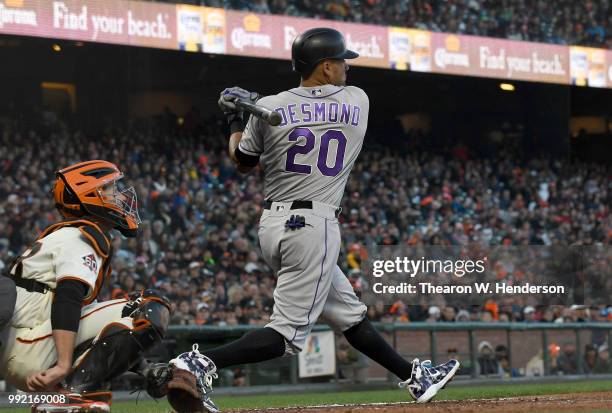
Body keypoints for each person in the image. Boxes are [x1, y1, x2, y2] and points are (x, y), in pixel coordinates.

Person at [160, 28, 459, 413]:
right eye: (341, 62)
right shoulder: (357, 100)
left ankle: (416, 378)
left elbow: (243, 162)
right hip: (313, 225)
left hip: (273, 226)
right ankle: (199, 362)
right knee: (285, 335)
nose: (347, 67)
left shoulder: (272, 107)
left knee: (349, 315)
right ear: (325, 67)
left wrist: (236, 119)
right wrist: (256, 110)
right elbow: (319, 112)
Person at [0, 160, 171, 412]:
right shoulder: (81, 236)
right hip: (29, 342)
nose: (121, 196)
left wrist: (143, 368)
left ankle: (63, 398)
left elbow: (101, 330)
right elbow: (68, 298)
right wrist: (62, 365)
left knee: (128, 313)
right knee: (148, 307)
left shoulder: (66, 235)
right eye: (112, 189)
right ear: (90, 194)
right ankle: (70, 396)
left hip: (24, 342)